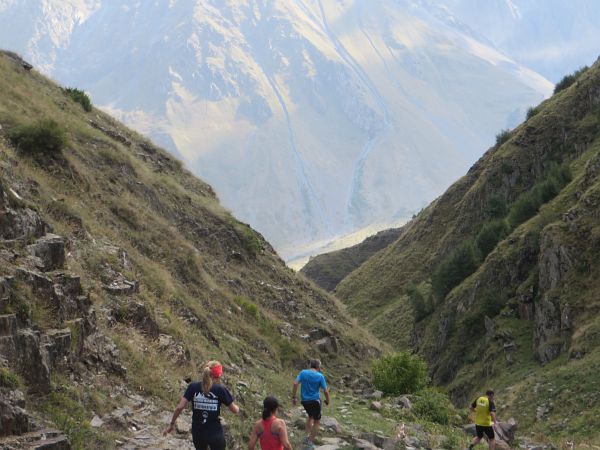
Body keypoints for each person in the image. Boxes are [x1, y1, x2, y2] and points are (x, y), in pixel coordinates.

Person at [164, 360, 240, 450]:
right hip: (215, 433)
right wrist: (237, 407)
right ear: (218, 375)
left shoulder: (192, 387)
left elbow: (180, 407)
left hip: (198, 433)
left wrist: (171, 424)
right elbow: (234, 410)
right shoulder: (220, 389)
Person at [291, 359, 330, 448]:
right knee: (317, 421)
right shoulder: (320, 376)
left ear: (310, 365)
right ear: (318, 367)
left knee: (310, 416)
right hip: (315, 401)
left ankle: (306, 437)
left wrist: (294, 397)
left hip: (305, 401)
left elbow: (295, 383)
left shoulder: (303, 372)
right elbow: (326, 391)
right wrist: (328, 400)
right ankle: (310, 442)